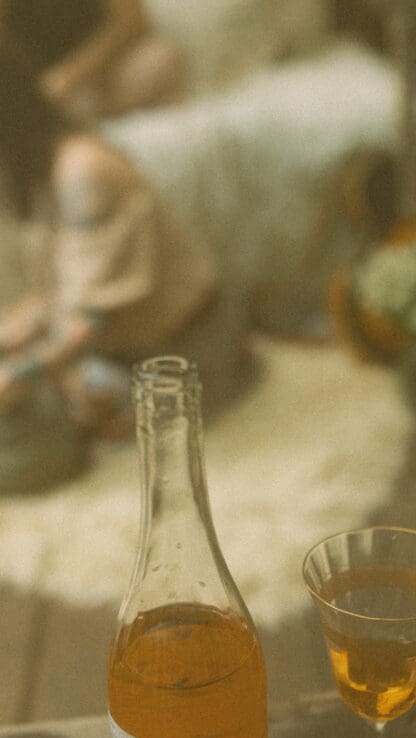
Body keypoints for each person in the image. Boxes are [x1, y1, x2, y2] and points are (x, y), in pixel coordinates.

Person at [0, 40, 245, 490]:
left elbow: (92, 321)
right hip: (119, 353)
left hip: (183, 360)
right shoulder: (39, 174)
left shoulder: (82, 173)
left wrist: (16, 373)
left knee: (29, 443)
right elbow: (66, 290)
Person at [0, 0, 184, 120]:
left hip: (108, 74)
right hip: (43, 97)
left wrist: (70, 76)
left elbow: (133, 22)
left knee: (159, 60)